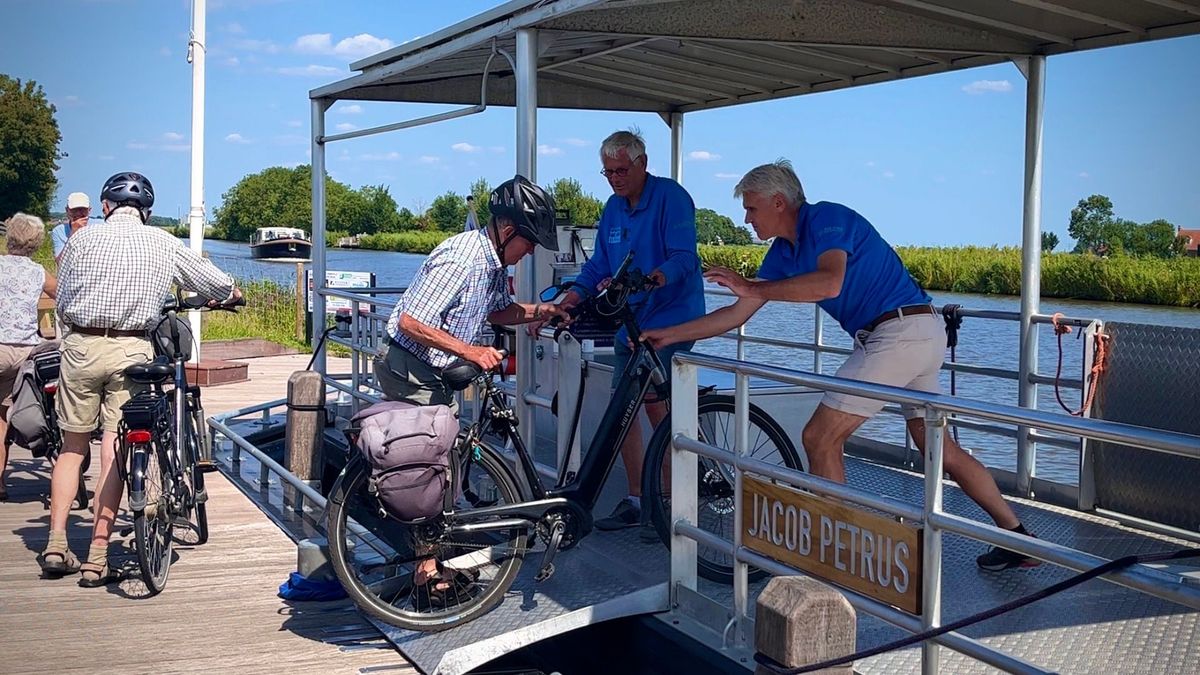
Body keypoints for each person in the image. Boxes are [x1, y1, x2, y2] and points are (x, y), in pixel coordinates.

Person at [642, 160, 1037, 571]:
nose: (746, 219)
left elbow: (829, 282)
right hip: (915, 332)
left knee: (819, 437)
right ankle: (1017, 538)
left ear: (779, 202)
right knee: (941, 450)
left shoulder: (828, 218)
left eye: (752, 208)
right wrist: (669, 334)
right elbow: (737, 313)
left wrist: (754, 286)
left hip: (899, 332)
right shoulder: (782, 254)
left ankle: (837, 551)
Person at [40, 172, 242, 586]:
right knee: (116, 444)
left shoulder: (81, 239)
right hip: (130, 350)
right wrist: (233, 294)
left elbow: (62, 298)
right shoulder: (163, 242)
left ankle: (56, 543)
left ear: (105, 207)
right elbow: (214, 281)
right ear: (146, 212)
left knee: (73, 446)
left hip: (80, 346)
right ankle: (98, 553)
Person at [376, 175, 569, 598]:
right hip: (412, 370)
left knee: (443, 465)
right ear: (506, 231)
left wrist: (542, 310)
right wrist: (471, 350)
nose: (532, 250)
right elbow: (411, 321)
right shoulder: (463, 259)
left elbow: (499, 311)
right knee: (427, 470)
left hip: (434, 370)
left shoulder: (493, 262)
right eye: (530, 241)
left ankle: (432, 560)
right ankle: (427, 574)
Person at [532, 129, 705, 540]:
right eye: (607, 172)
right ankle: (637, 500)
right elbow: (597, 268)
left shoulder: (671, 198)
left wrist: (653, 279)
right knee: (621, 411)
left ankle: (670, 502)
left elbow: (684, 257)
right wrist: (570, 299)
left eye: (621, 170)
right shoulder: (612, 208)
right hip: (632, 326)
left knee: (654, 408)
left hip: (673, 318)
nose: (614, 178)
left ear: (643, 163)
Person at [0, 214, 58, 501]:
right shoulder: (37, 272)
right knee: (3, 415)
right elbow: (62, 293)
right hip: (24, 352)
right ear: (35, 244)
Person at [52, 192, 92, 263]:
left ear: (89, 210)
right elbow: (59, 262)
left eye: (82, 209)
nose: (78, 213)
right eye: (74, 210)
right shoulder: (58, 231)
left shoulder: (101, 225)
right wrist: (73, 233)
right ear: (67, 210)